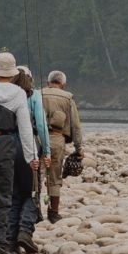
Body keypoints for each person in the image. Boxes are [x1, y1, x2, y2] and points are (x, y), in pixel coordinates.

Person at [0, 54, 43, 254]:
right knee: (3, 198)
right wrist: (32, 157)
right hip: (5, 144)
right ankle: (0, 246)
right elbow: (24, 128)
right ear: (12, 72)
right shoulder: (18, 93)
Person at [38, 70, 82, 222]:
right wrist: (79, 149)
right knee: (55, 177)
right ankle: (53, 213)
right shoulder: (68, 98)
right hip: (57, 139)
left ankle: (33, 211)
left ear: (48, 82)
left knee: (36, 176)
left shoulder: (38, 94)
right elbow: (75, 126)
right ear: (63, 84)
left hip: (36, 138)